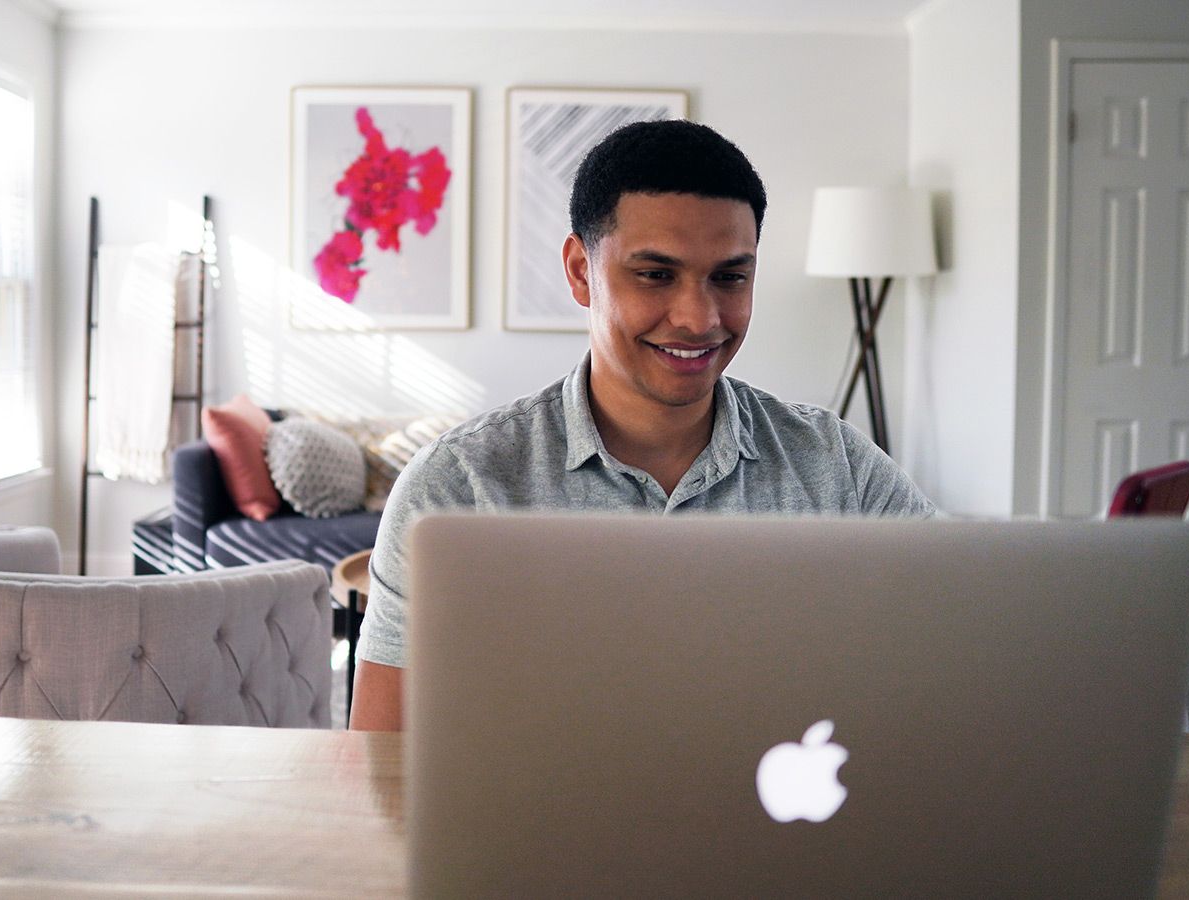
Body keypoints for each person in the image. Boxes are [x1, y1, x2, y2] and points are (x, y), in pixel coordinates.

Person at [349, 120, 935, 731]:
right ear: (581, 271)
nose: (699, 318)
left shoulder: (835, 466)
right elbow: (376, 763)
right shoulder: (458, 485)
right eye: (656, 275)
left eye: (730, 277)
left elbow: (956, 652)